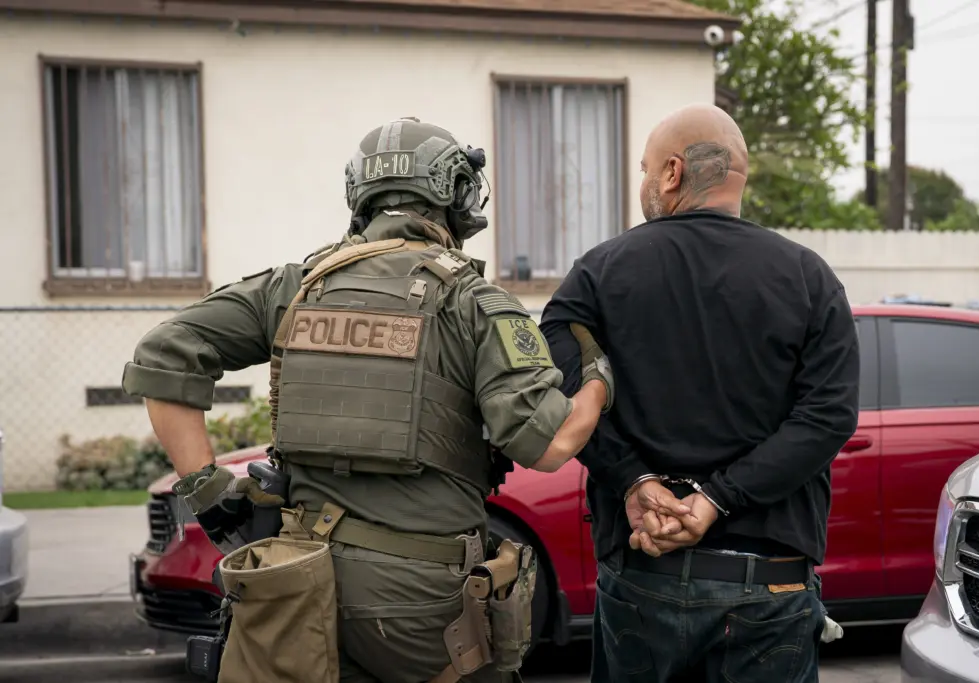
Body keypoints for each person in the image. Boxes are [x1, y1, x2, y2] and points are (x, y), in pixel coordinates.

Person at [121, 118, 613, 683]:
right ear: (454, 193)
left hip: (297, 586)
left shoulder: (295, 286)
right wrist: (597, 379)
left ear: (361, 193)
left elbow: (164, 354)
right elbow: (550, 445)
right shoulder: (473, 301)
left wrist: (209, 491)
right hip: (422, 604)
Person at [539, 103, 860, 683]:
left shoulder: (597, 275)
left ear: (671, 173)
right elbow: (828, 417)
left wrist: (634, 479)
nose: (644, 184)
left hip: (643, 576)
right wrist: (715, 500)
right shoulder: (809, 277)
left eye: (643, 169)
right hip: (769, 586)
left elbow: (558, 387)